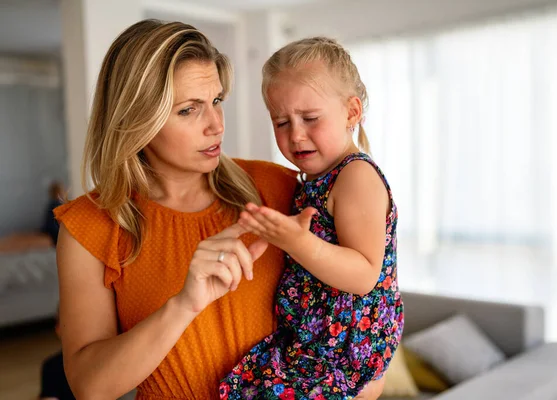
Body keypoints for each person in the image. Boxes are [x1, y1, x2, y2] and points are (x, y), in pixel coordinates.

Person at [54, 20, 383, 400]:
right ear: (135, 119)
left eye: (216, 101)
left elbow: (366, 311)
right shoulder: (88, 226)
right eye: (188, 110)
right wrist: (183, 306)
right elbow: (89, 387)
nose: (215, 125)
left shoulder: (279, 190)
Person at [220, 37, 404, 399]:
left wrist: (297, 242)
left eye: (310, 118)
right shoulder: (315, 180)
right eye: (281, 122)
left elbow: (365, 273)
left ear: (352, 112)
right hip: (311, 345)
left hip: (342, 355)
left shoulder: (356, 176)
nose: (295, 134)